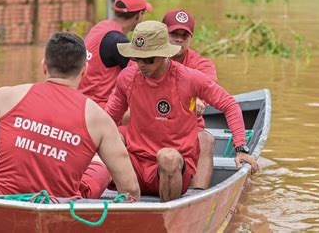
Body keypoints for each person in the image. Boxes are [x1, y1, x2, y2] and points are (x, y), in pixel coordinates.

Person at [0, 33, 140, 200]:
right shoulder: (98, 118)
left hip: (0, 199)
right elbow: (129, 188)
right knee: (100, 162)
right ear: (84, 70)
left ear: (44, 66)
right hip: (64, 205)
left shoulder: (9, 95)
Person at [106, 21, 258, 202]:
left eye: (148, 59)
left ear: (163, 55)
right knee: (106, 140)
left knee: (167, 157)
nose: (141, 65)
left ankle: (172, 213)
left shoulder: (189, 78)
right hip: (135, 164)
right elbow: (109, 118)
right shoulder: (127, 78)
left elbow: (229, 104)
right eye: (137, 58)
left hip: (173, 167)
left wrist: (241, 148)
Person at [162, 9, 218, 190]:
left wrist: (200, 101)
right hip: (153, 125)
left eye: (184, 35)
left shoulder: (202, 65)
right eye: (174, 34)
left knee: (206, 141)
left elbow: (208, 91)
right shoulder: (147, 58)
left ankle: (198, 195)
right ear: (163, 33)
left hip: (188, 129)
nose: (179, 39)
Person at [78, 0, 152, 108]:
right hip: (97, 107)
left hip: (80, 100)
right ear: (139, 16)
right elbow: (143, 75)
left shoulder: (100, 27)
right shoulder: (119, 42)